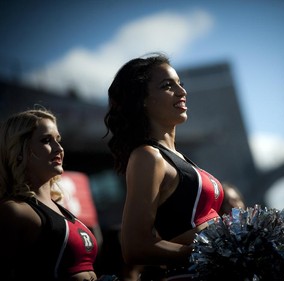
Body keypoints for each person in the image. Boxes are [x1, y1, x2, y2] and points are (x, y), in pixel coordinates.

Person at [104, 53, 224, 280]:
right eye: (168, 86)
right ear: (143, 99)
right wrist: (208, 254)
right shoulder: (147, 156)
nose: (182, 92)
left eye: (181, 84)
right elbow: (134, 246)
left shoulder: (178, 157)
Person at [0, 108, 117, 281]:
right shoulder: (14, 211)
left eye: (58, 140)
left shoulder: (59, 208)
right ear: (19, 151)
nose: (59, 148)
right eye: (46, 140)